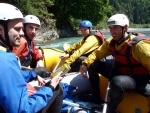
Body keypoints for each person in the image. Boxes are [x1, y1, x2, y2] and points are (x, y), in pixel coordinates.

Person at [0, 3, 63, 113]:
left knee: (41, 71)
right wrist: (51, 87)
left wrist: (34, 74)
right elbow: (22, 110)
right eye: (17, 29)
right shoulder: (5, 60)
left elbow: (13, 76)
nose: (22, 33)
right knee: (58, 88)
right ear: (0, 30)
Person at [81, 14, 150, 113]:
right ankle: (96, 97)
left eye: (115, 28)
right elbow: (97, 53)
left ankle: (111, 108)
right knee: (93, 64)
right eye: (110, 28)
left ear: (125, 28)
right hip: (121, 72)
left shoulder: (139, 46)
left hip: (137, 79)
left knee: (117, 82)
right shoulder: (111, 42)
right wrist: (85, 64)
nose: (112, 32)